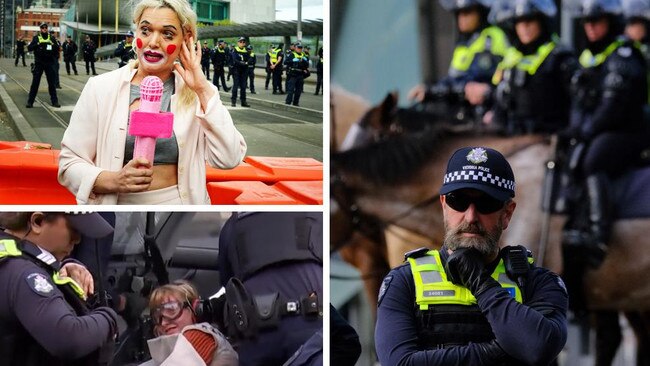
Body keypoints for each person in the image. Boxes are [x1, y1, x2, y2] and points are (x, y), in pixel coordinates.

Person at [375, 147, 568, 365]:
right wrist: (501, 350)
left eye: (486, 203)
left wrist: (480, 283)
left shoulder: (538, 282)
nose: (471, 216)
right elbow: (398, 363)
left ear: (507, 213)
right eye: (458, 201)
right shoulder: (404, 281)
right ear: (444, 206)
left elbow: (538, 347)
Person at [58, 0, 248, 205]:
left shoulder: (196, 93)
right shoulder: (99, 88)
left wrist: (202, 89)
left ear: (186, 40)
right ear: (136, 34)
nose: (153, 42)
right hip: (116, 211)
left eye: (167, 34)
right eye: (146, 30)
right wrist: (113, 180)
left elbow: (229, 158)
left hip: (182, 211)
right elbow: (69, 164)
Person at [564, 0, 648, 265]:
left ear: (611, 22)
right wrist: (575, 130)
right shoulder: (590, 56)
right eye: (587, 21)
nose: (590, 27)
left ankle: (598, 234)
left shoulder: (623, 55)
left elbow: (613, 107)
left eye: (596, 21)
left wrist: (585, 131)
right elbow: (580, 101)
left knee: (594, 160)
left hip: (629, 130)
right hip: (601, 129)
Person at [0, 212, 119, 365]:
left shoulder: (10, 259)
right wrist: (109, 317)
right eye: (73, 228)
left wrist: (60, 269)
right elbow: (69, 338)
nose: (77, 239)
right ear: (38, 222)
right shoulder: (23, 273)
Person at [218, 212, 323, 365]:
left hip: (257, 335)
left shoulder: (232, 226)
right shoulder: (315, 213)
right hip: (309, 325)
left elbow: (227, 284)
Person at [486, 0, 578, 134]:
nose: (524, 27)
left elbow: (576, 105)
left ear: (542, 22)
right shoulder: (512, 58)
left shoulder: (560, 58)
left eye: (529, 21)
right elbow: (502, 102)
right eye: (519, 22)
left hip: (549, 138)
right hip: (515, 137)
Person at [408, 0, 508, 121]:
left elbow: (474, 82)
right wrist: (428, 90)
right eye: (459, 13)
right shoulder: (464, 44)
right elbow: (453, 79)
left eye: (467, 13)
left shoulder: (492, 37)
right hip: (461, 108)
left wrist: (436, 92)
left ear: (480, 13)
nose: (462, 18)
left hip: (485, 112)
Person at [140, 280, 238, 366]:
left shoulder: (202, 335)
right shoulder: (170, 351)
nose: (164, 322)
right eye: (158, 316)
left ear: (195, 308)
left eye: (171, 309)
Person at [26, 23, 60, 108]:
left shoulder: (51, 38)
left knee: (51, 83)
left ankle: (55, 101)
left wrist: (53, 45)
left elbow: (57, 49)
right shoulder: (36, 38)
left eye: (46, 27)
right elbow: (29, 48)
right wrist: (37, 44)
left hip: (49, 63)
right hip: (39, 63)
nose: (44, 29)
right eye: (43, 28)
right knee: (35, 83)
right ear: (40, 29)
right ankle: (30, 102)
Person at [230, 37, 251, 107]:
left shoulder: (247, 51)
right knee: (235, 86)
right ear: (238, 43)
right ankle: (233, 101)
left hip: (244, 70)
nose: (242, 43)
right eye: (241, 42)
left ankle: (243, 101)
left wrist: (247, 62)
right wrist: (241, 63)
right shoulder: (235, 50)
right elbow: (234, 59)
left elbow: (249, 59)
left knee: (243, 86)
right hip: (237, 70)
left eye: (243, 42)